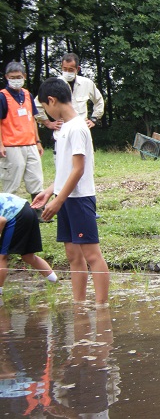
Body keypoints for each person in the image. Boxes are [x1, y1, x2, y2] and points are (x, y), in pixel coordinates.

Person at [31, 77, 110, 306]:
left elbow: (78, 170)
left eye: (45, 107)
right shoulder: (64, 128)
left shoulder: (77, 128)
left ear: (52, 100)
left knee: (91, 255)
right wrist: (49, 192)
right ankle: (79, 306)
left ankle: (102, 307)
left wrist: (58, 201)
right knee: (73, 256)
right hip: (64, 197)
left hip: (79, 199)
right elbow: (65, 169)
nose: (46, 112)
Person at [0, 62, 44, 205]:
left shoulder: (27, 95)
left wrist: (37, 141)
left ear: (24, 76)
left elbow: (32, 119)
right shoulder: (2, 97)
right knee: (11, 180)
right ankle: (8, 211)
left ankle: (39, 210)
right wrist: (1, 144)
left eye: (18, 77)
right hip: (11, 145)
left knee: (36, 178)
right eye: (12, 77)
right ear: (7, 77)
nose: (16, 79)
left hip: (30, 143)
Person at [0, 193, 58, 296]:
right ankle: (55, 281)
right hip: (28, 209)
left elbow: (2, 221)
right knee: (28, 256)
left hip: (16, 215)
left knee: (2, 256)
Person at [34, 52, 104, 134]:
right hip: (61, 132)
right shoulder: (53, 85)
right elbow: (36, 104)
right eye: (65, 69)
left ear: (77, 69)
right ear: (61, 67)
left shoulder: (87, 83)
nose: (67, 72)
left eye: (71, 69)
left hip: (82, 130)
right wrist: (47, 123)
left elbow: (99, 101)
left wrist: (94, 119)